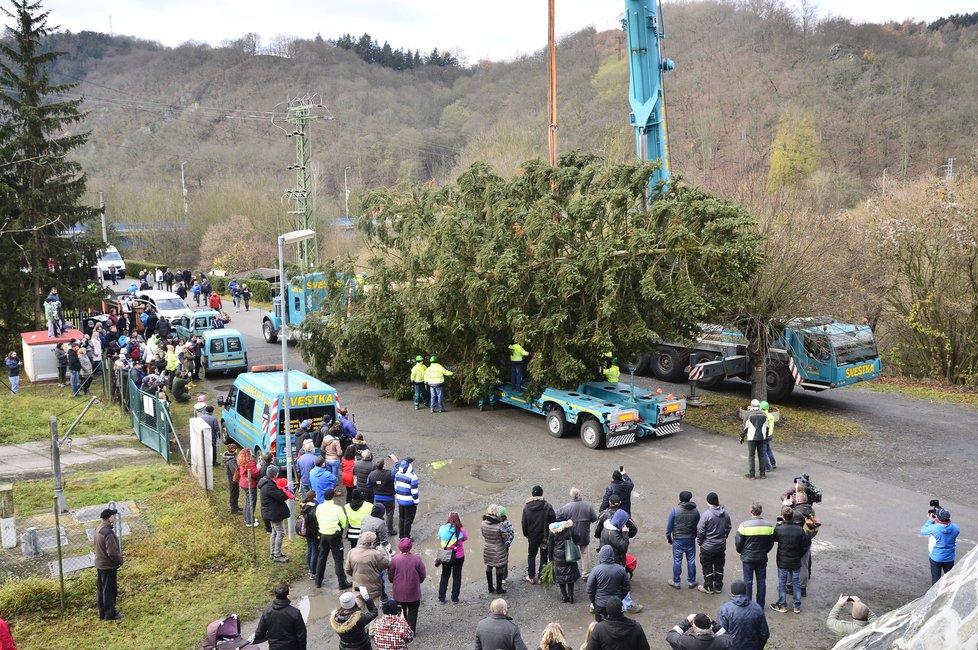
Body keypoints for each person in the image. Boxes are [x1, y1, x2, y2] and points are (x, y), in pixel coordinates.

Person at [770, 506, 810, 614]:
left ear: (783, 516)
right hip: (795, 561)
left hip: (782, 561)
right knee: (796, 583)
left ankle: (782, 605)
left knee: (782, 583)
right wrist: (799, 555)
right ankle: (797, 606)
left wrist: (777, 525)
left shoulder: (779, 529)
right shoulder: (800, 530)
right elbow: (805, 546)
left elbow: (773, 538)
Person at [734, 502, 775, 608]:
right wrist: (764, 551)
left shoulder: (744, 526)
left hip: (748, 558)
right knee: (761, 581)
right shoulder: (769, 526)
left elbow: (738, 542)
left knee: (748, 581)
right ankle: (760, 604)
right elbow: (771, 543)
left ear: (751, 511)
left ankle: (748, 603)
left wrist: (741, 551)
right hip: (761, 557)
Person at [715, 580, 769, 650]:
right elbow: (764, 634)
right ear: (745, 592)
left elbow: (721, 634)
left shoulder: (724, 609)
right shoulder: (757, 608)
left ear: (732, 593)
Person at [315, 488, 352, 589]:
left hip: (323, 534)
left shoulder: (319, 507)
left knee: (321, 558)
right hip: (334, 535)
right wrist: (340, 530)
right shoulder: (337, 508)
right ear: (333, 497)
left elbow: (317, 519)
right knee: (338, 559)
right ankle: (342, 583)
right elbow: (344, 522)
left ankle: (318, 581)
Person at [696, 492, 732, 595]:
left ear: (708, 502)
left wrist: (700, 542)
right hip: (720, 546)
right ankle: (718, 586)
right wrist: (724, 537)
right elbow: (728, 527)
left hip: (707, 547)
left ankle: (708, 587)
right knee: (719, 565)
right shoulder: (725, 513)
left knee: (707, 566)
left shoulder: (706, 515)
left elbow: (700, 530)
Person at [252, 583, 306, 650]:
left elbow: (259, 633)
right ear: (287, 595)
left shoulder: (267, 612)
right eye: (290, 591)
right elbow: (301, 635)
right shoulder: (295, 613)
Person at [388, 537, 426, 632]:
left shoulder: (395, 559)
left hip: (398, 591)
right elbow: (422, 574)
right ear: (410, 547)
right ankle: (411, 631)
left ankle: (402, 629)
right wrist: (418, 581)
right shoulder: (417, 559)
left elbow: (390, 575)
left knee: (401, 611)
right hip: (413, 591)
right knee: (413, 611)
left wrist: (394, 582)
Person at [585, 596, 650, 650]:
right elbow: (645, 648)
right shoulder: (636, 627)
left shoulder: (599, 629)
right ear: (622, 610)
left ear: (607, 611)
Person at [522, 485, 556, 584]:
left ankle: (531, 577)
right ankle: (541, 577)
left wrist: (526, 534)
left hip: (532, 537)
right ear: (542, 494)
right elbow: (553, 521)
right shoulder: (547, 506)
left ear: (532, 494)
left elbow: (524, 523)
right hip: (544, 537)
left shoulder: (526, 507)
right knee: (543, 556)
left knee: (531, 555)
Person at [94, 508, 124, 620]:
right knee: (110, 590)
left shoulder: (98, 528)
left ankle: (102, 613)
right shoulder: (108, 533)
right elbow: (112, 553)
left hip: (100, 564)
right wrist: (120, 560)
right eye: (113, 515)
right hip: (108, 566)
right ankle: (110, 613)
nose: (114, 517)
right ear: (110, 518)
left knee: (101, 589)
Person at [586, 545, 630, 623]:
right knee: (617, 626)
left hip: (600, 604)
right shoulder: (620, 569)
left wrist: (594, 602)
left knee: (601, 628)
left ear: (601, 555)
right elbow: (626, 588)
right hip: (616, 605)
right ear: (612, 555)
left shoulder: (595, 570)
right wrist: (619, 598)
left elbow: (589, 589)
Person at [666, 491, 700, 589]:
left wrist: (669, 538)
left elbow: (669, 527)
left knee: (677, 561)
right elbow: (699, 526)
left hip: (678, 539)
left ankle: (676, 582)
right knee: (691, 560)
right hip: (690, 539)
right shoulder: (696, 511)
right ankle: (691, 581)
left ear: (680, 499)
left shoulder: (675, 510)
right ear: (690, 498)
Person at [259, 465, 293, 562]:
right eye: (277, 473)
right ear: (274, 475)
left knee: (274, 532)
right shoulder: (269, 486)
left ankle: (273, 553)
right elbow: (281, 496)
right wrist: (289, 490)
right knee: (281, 532)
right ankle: (277, 555)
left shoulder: (266, 482)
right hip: (273, 512)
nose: (278, 474)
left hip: (271, 511)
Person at [345, 531, 391, 601]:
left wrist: (355, 575)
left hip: (358, 589)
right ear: (372, 542)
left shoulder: (352, 552)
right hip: (374, 590)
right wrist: (382, 552)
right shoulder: (376, 554)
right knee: (375, 610)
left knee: (361, 610)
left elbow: (348, 570)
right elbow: (385, 564)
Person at [562, 487, 598, 575]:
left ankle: (572, 572)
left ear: (571, 496)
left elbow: (562, 520)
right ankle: (585, 573)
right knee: (585, 552)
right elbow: (594, 518)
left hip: (571, 534)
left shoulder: (566, 507)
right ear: (579, 494)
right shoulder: (588, 505)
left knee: (571, 552)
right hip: (584, 533)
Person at [921, 507, 960, 584]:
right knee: (949, 578)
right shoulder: (956, 528)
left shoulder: (934, 528)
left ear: (938, 518)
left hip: (936, 558)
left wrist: (930, 520)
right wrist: (939, 519)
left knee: (936, 578)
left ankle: (934, 594)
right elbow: (948, 524)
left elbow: (923, 531)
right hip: (949, 558)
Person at [547, 517, 582, 604]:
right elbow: (578, 538)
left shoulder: (552, 531)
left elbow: (550, 545)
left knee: (560, 577)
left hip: (558, 557)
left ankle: (564, 596)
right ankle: (571, 596)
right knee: (570, 577)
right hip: (570, 556)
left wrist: (550, 558)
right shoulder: (569, 528)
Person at [437, 512, 467, 603]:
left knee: (445, 575)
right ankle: (454, 598)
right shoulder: (461, 530)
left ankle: (441, 597)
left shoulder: (442, 528)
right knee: (457, 576)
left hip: (446, 556)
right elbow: (465, 538)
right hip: (459, 556)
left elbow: (439, 536)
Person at [482, 504, 510, 595]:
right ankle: (499, 588)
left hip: (487, 548)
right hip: (498, 549)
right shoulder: (500, 525)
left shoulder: (483, 523)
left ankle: (490, 587)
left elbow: (483, 534)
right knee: (499, 568)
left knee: (489, 567)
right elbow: (505, 538)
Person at [666, 613, 732, 650]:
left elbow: (671, 635)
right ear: (710, 626)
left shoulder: (685, 642)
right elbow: (728, 636)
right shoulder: (722, 643)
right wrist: (712, 623)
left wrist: (687, 622)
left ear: (694, 627)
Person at [740, 400, 768, 480]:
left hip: (752, 438)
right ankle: (762, 474)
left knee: (751, 456)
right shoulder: (764, 414)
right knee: (761, 455)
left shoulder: (749, 414)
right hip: (761, 437)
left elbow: (745, 427)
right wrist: (765, 436)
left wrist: (742, 436)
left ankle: (752, 474)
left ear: (751, 406)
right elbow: (767, 427)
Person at [368, 458, 397, 535]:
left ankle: (376, 530)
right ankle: (390, 531)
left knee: (377, 514)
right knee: (389, 514)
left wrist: (374, 492)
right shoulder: (390, 473)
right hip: (389, 498)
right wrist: (396, 461)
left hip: (377, 497)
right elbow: (398, 470)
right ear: (384, 465)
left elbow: (368, 484)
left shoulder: (372, 474)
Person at [394, 457, 420, 540]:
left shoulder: (397, 473)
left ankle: (401, 536)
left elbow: (395, 487)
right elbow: (414, 492)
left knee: (402, 518)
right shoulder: (413, 476)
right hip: (409, 502)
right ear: (410, 464)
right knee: (408, 520)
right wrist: (416, 502)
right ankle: (406, 538)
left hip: (400, 500)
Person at [298, 490, 320, 580]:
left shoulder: (304, 506)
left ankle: (310, 569)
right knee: (315, 550)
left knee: (310, 549)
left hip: (306, 531)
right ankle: (313, 571)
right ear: (314, 497)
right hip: (314, 531)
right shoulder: (316, 506)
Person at [237, 447, 260, 527]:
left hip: (243, 483)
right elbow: (255, 473)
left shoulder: (242, 461)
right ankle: (249, 521)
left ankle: (248, 517)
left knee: (248, 501)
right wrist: (259, 467)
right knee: (251, 502)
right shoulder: (250, 463)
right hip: (250, 484)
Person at [223, 443, 242, 514]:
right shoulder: (230, 460)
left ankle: (236, 506)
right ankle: (234, 509)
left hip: (234, 479)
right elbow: (235, 470)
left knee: (236, 493)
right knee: (233, 494)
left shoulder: (230, 456)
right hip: (232, 480)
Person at [759, 401, 776, 471]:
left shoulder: (762, 416)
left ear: (761, 408)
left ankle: (767, 466)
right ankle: (773, 463)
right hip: (769, 434)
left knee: (763, 452)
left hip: (763, 435)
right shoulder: (771, 416)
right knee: (768, 449)